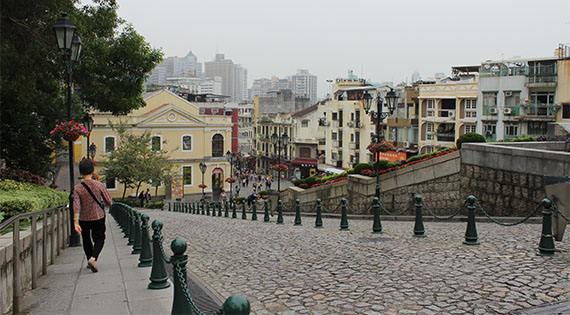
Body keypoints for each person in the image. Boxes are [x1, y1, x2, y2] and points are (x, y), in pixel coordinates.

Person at [73, 158, 112, 273]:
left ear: (81, 172)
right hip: (98, 216)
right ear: (92, 170)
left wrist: (75, 222)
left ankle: (89, 258)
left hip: (84, 218)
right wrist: (102, 203)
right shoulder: (99, 185)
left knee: (86, 239)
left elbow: (76, 206)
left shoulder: (77, 188)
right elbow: (109, 201)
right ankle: (93, 258)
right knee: (100, 239)